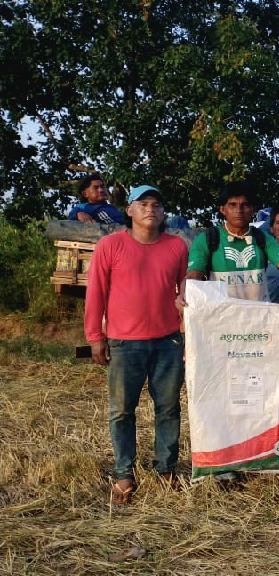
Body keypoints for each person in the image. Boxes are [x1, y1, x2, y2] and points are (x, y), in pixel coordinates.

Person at [84, 185, 188, 504]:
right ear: (129, 210)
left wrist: (187, 334)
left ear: (163, 212)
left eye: (156, 204)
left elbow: (186, 294)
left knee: (168, 408)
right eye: (143, 204)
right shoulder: (110, 245)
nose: (150, 209)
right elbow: (96, 293)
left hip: (168, 341)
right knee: (121, 411)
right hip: (124, 342)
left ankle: (166, 468)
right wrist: (95, 337)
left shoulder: (176, 247)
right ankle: (124, 474)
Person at [184, 182, 279, 306]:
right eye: (232, 205)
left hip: (259, 316)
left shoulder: (263, 238)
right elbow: (194, 275)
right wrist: (183, 294)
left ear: (252, 209)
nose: (239, 210)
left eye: (245, 205)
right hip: (222, 317)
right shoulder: (207, 239)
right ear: (223, 209)